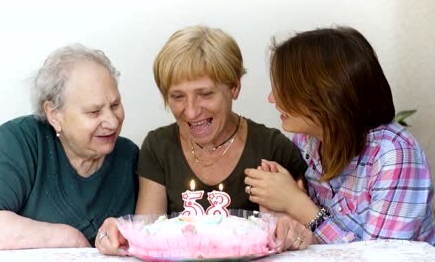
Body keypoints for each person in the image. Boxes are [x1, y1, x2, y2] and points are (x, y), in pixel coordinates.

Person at [96, 25, 312, 255]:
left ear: (234, 87)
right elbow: (148, 238)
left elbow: (307, 238)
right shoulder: (159, 146)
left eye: (205, 94)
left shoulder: (273, 148)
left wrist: (287, 230)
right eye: (177, 96)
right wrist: (117, 234)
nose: (190, 112)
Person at [244, 26, 435, 246]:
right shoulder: (306, 143)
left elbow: (382, 257)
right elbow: (315, 242)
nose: (272, 98)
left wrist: (297, 204)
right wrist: (278, 217)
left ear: (324, 93)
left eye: (286, 88)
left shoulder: (394, 154)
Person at [0, 44, 139, 249]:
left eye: (115, 105)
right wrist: (68, 238)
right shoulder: (24, 140)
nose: (112, 122)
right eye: (94, 112)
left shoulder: (129, 156)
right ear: (53, 114)